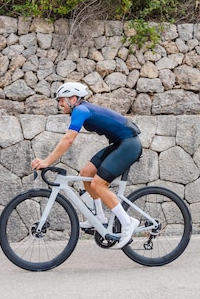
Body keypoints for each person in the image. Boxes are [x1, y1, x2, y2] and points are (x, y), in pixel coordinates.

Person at [30, 82, 142, 249]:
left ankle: (128, 222)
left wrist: (47, 161)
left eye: (61, 100)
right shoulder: (82, 109)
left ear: (73, 99)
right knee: (86, 173)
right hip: (120, 143)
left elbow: (68, 139)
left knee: (98, 184)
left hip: (129, 144)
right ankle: (100, 219)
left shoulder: (81, 110)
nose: (59, 104)